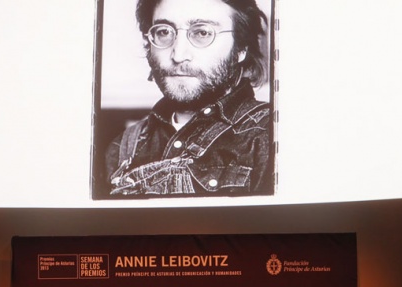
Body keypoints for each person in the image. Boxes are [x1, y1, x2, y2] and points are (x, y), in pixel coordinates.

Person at [105, 0, 275, 197]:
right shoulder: (120, 148)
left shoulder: (270, 136)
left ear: (241, 49)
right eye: (164, 32)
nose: (178, 55)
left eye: (202, 33)